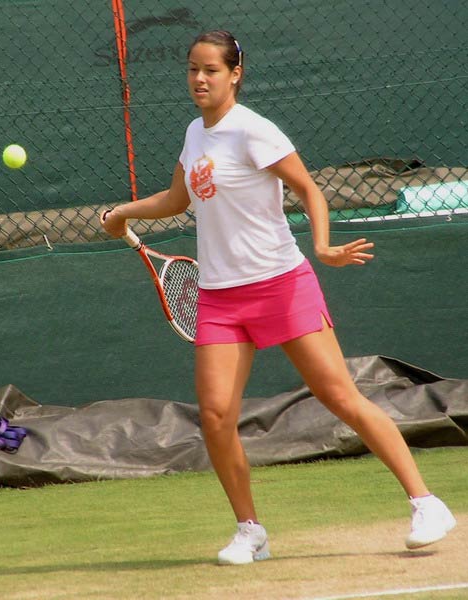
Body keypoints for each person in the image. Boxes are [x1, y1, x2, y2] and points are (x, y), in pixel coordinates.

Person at [102, 30, 456, 565]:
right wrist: (124, 211)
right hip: (220, 295)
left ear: (235, 74)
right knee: (217, 415)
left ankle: (427, 503)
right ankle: (250, 531)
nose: (200, 79)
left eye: (211, 71)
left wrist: (322, 246)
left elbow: (308, 188)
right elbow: (178, 198)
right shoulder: (194, 134)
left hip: (280, 284)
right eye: (193, 69)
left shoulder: (253, 131)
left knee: (340, 397)